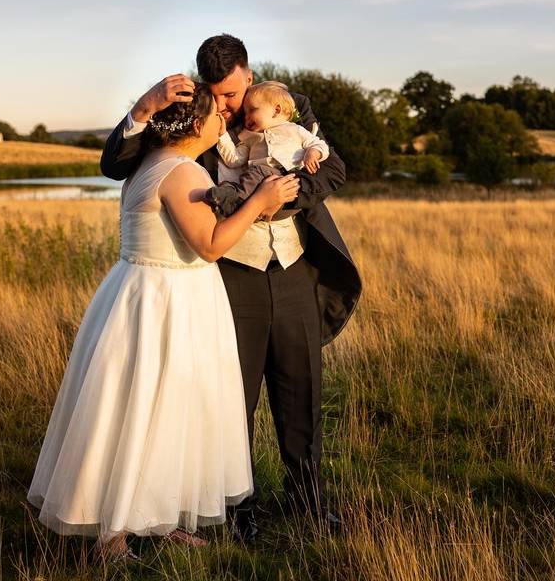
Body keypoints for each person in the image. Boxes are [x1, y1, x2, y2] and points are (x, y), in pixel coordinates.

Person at [99, 33, 361, 540]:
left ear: (249, 75)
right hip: (228, 273)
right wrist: (141, 109)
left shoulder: (289, 103)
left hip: (293, 267)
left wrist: (276, 201)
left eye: (235, 95)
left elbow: (332, 171)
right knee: (230, 397)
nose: (228, 106)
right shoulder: (191, 111)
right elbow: (115, 166)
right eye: (218, 97)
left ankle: (308, 501)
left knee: (300, 387)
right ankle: (237, 510)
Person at [27, 84, 301, 562]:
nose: (225, 119)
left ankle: (160, 517)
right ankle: (113, 535)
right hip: (165, 301)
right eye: (218, 113)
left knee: (168, 410)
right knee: (144, 410)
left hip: (147, 293)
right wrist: (260, 200)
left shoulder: (146, 164)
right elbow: (211, 245)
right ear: (196, 125)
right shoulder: (180, 172)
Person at [214, 81, 329, 220]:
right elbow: (234, 159)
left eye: (252, 110)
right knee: (246, 184)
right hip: (257, 176)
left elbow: (319, 144)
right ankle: (228, 198)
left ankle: (232, 202)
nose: (246, 117)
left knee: (248, 187)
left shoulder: (295, 130)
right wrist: (222, 135)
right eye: (245, 112)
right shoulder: (251, 137)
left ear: (276, 110)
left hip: (287, 177)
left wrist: (313, 153)